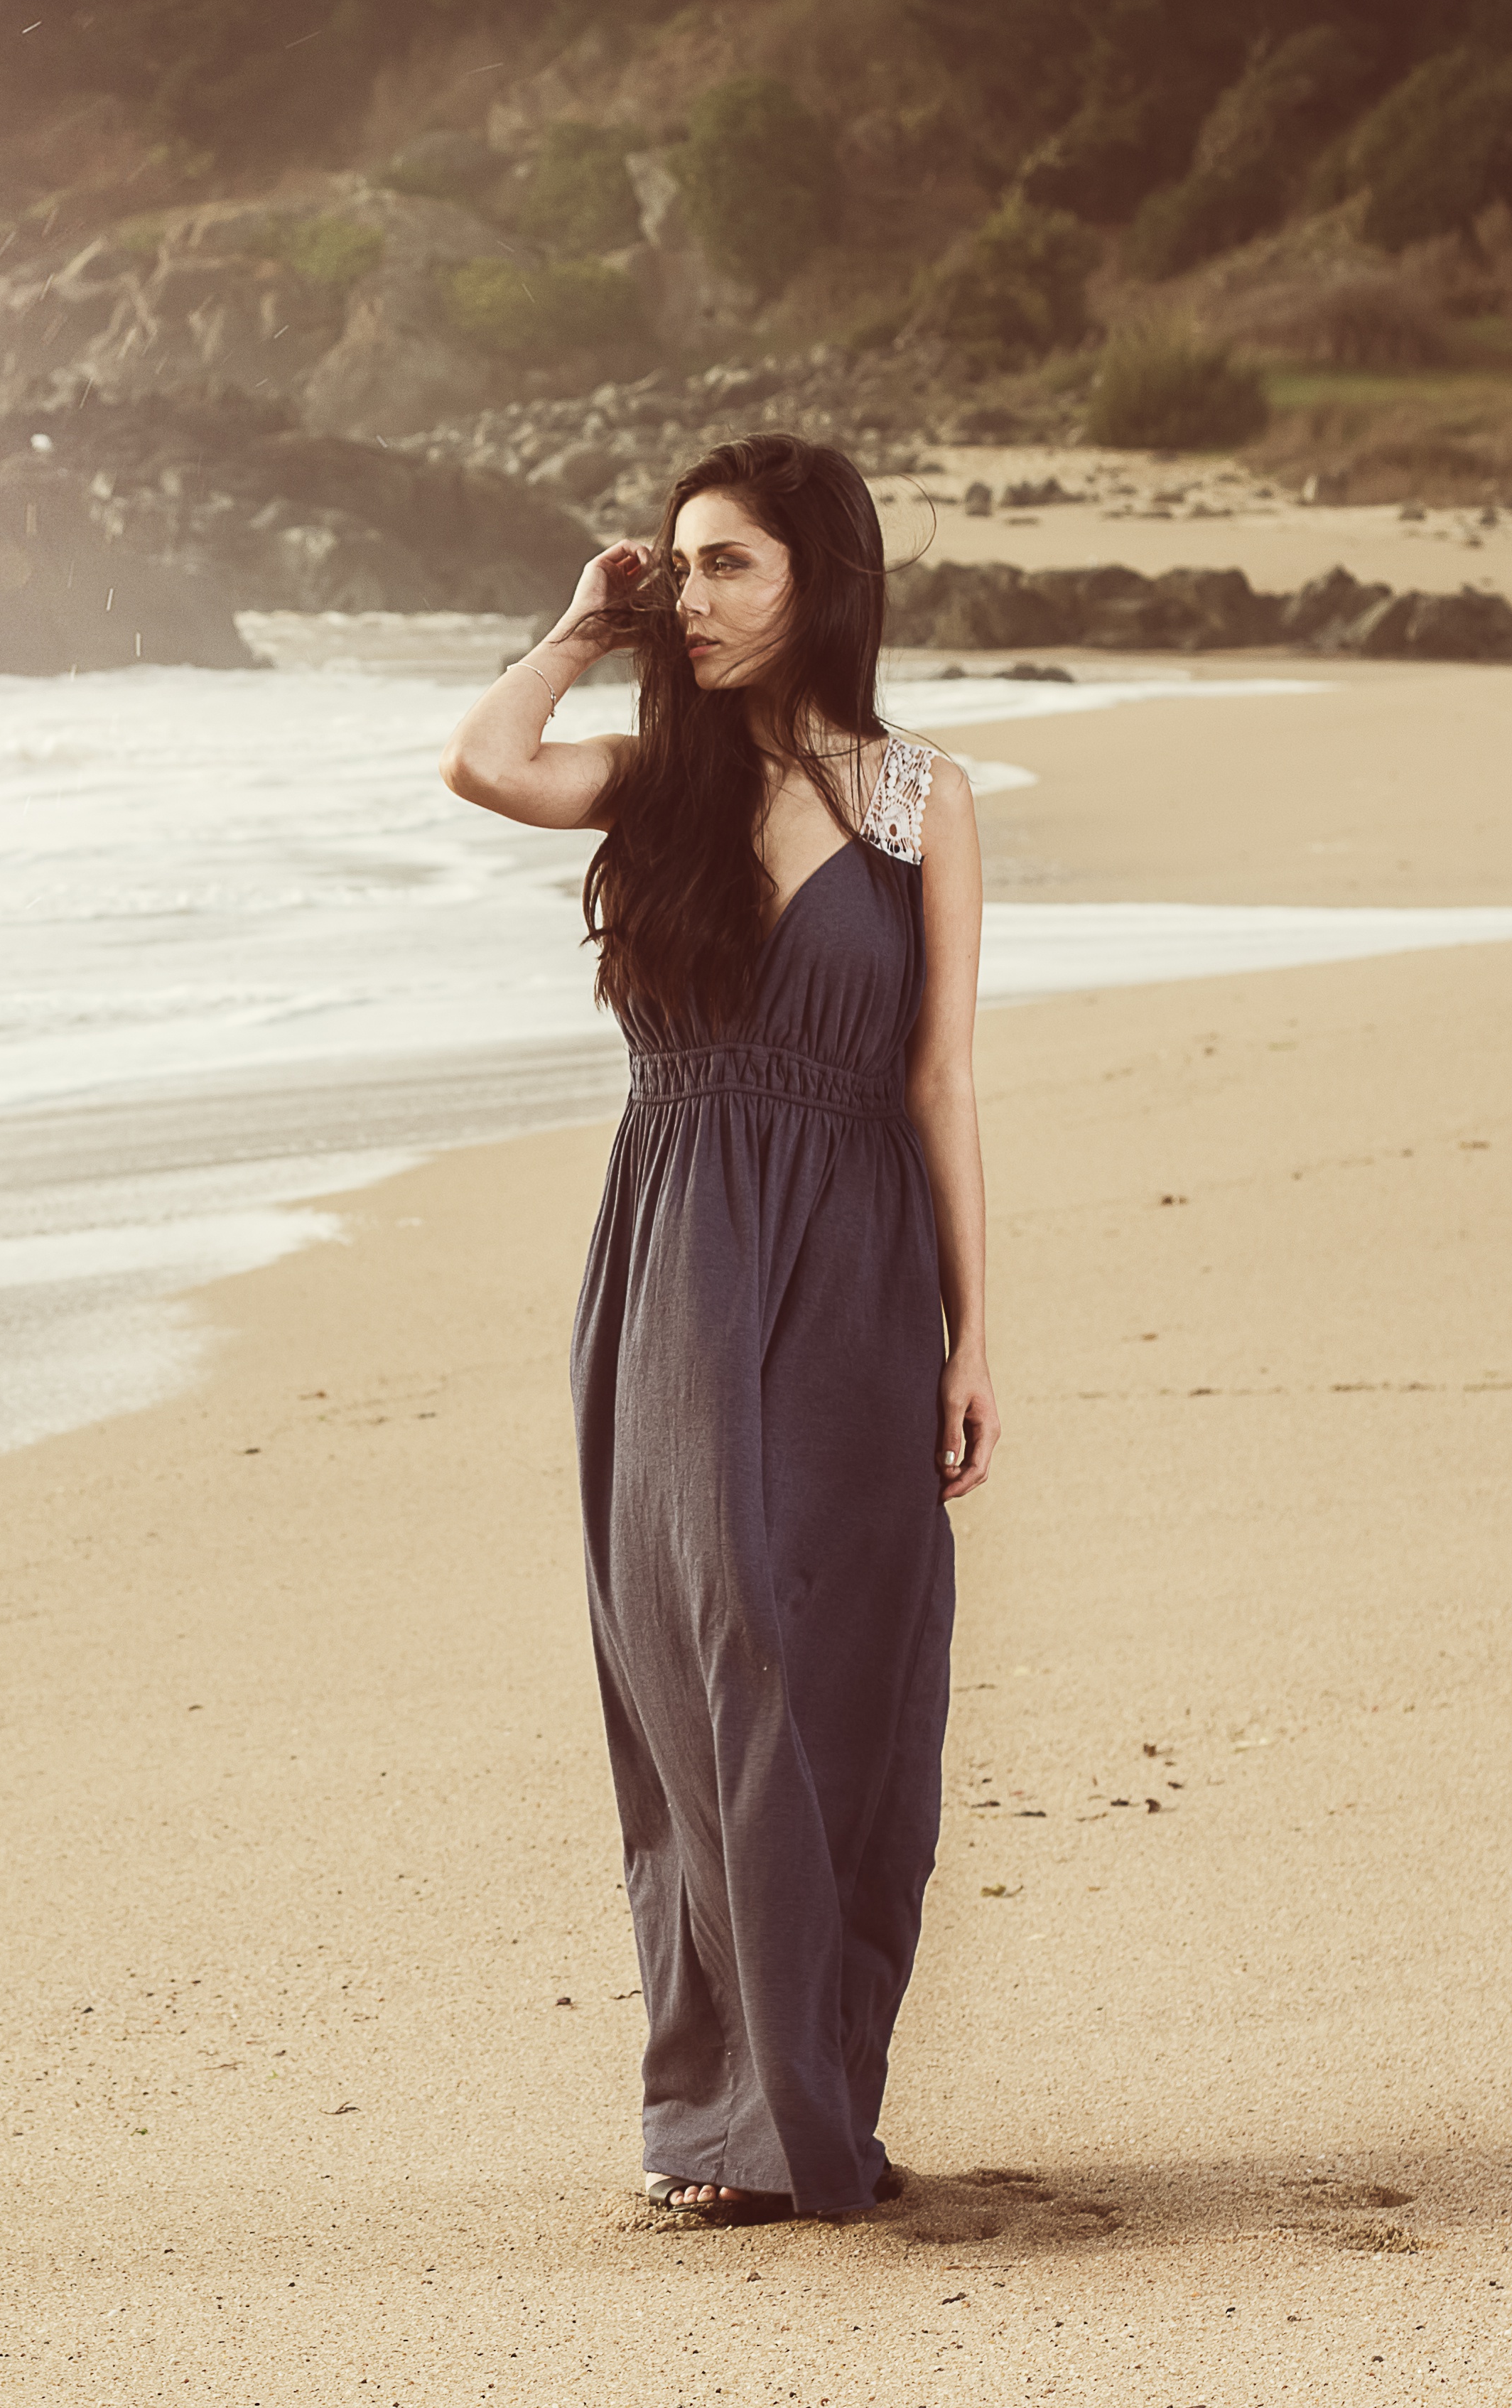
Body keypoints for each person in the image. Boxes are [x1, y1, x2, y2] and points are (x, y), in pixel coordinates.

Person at [436, 433, 997, 2225]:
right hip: (679, 1249)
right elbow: (481, 760)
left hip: (855, 1259)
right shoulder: (650, 783)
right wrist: (583, 624)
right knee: (705, 1650)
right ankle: (720, 2118)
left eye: (729, 565)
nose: (696, 597)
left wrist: (975, 1334)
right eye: (680, 566)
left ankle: (814, 2102)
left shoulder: (918, 797)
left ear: (824, 578)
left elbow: (942, 1075)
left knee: (846, 1675)